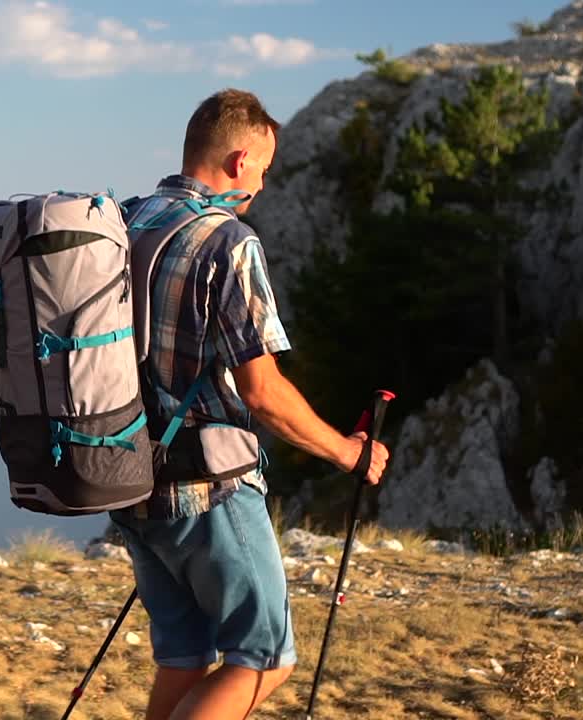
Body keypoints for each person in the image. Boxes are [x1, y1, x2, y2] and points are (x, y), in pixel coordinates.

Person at [110, 88, 391, 720]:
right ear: (239, 160)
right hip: (206, 488)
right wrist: (347, 451)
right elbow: (262, 393)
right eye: (263, 170)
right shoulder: (228, 242)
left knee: (184, 656)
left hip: (127, 481)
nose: (262, 185)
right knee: (264, 657)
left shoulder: (126, 223)